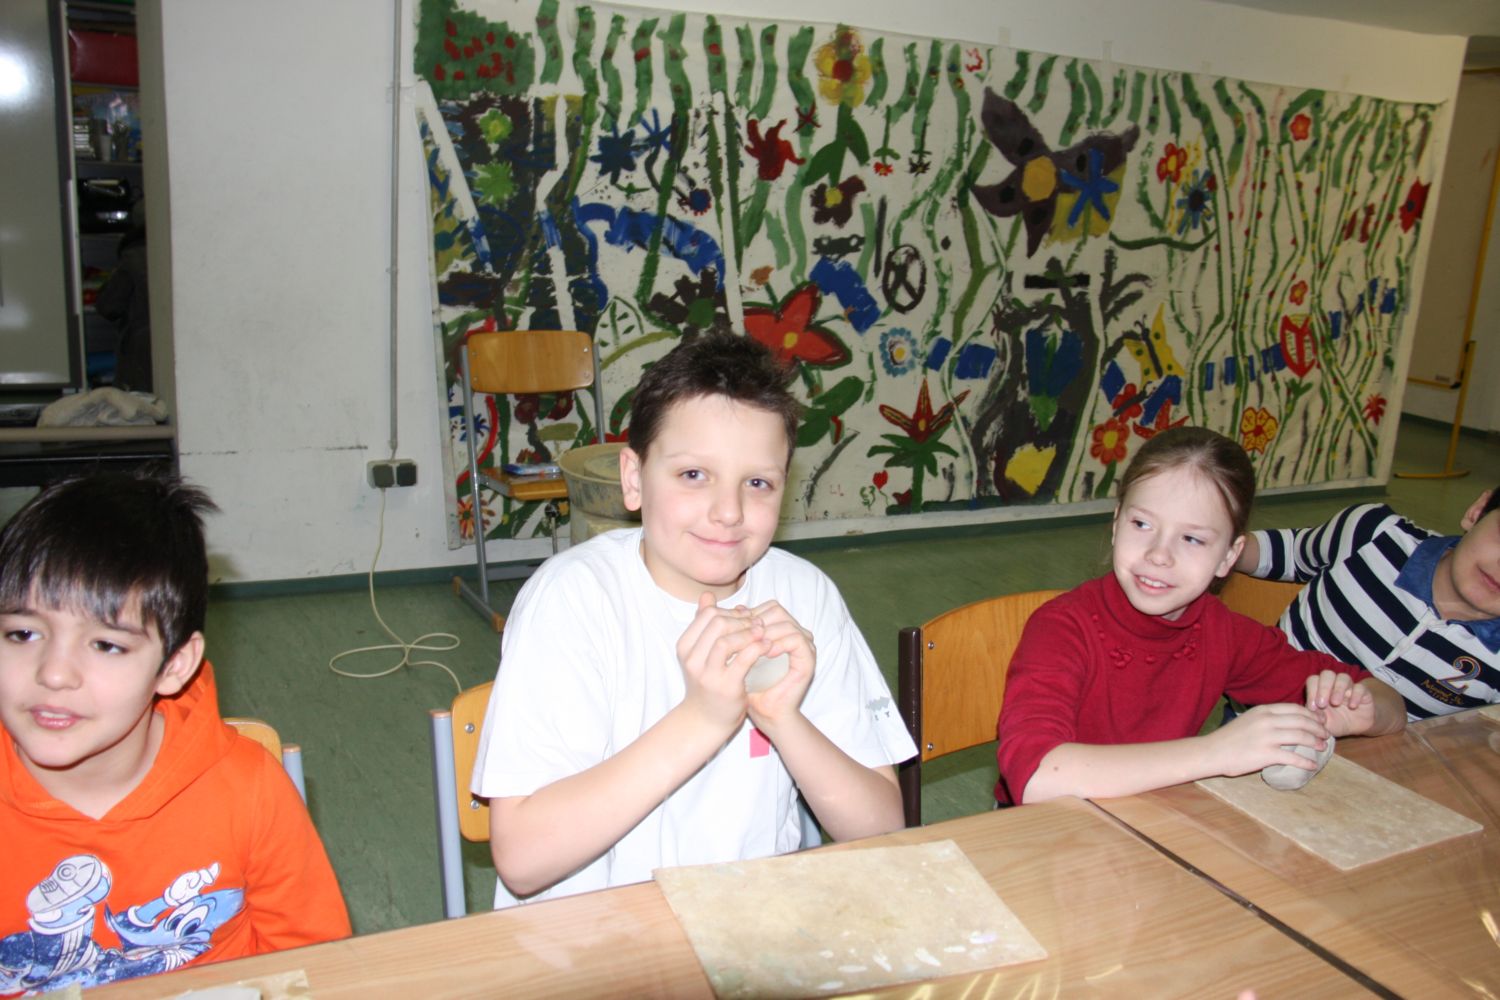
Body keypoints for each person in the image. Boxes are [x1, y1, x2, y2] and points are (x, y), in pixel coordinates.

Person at [471, 331, 915, 906]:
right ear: (634, 479)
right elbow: (523, 861)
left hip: (752, 922)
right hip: (591, 937)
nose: (729, 512)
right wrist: (703, 719)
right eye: (693, 475)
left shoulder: (805, 596)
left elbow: (882, 832)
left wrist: (784, 720)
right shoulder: (571, 601)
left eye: (758, 483)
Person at [0, 474, 350, 994]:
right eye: (23, 633)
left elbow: (313, 969)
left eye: (106, 645)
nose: (53, 674)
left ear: (174, 665)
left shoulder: (249, 790)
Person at [995, 427, 1406, 805]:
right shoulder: (1062, 627)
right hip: (1043, 831)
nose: (1159, 554)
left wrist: (1360, 712)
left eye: (1192, 538)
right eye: (1142, 524)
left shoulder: (1224, 632)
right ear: (1117, 523)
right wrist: (1217, 752)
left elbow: (1389, 702)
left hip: (1147, 820)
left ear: (1229, 556)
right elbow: (1037, 779)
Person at [1233, 487, 1499, 720]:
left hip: (1375, 761)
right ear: (1478, 511)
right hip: (1252, 726)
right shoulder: (1373, 533)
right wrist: (1220, 545)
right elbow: (1288, 552)